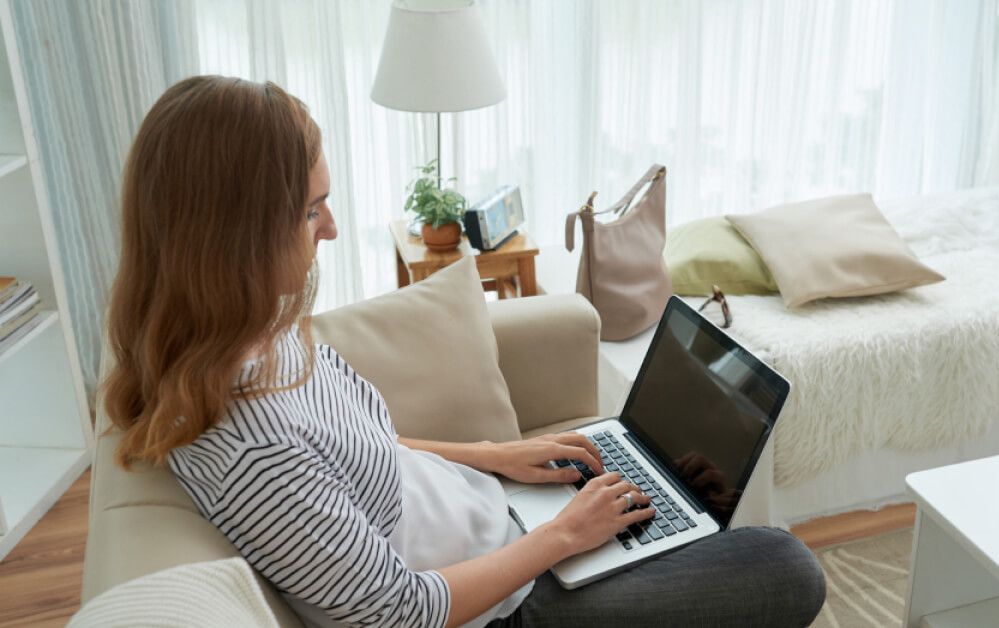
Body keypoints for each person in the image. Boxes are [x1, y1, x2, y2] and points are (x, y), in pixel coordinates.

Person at [103, 75, 825, 628]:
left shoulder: (258, 337)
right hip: (504, 606)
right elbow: (401, 613)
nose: (328, 229)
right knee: (786, 566)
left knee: (687, 494)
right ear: (233, 238)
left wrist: (495, 457)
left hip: (502, 525)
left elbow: (362, 448)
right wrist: (565, 538)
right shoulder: (247, 446)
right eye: (308, 210)